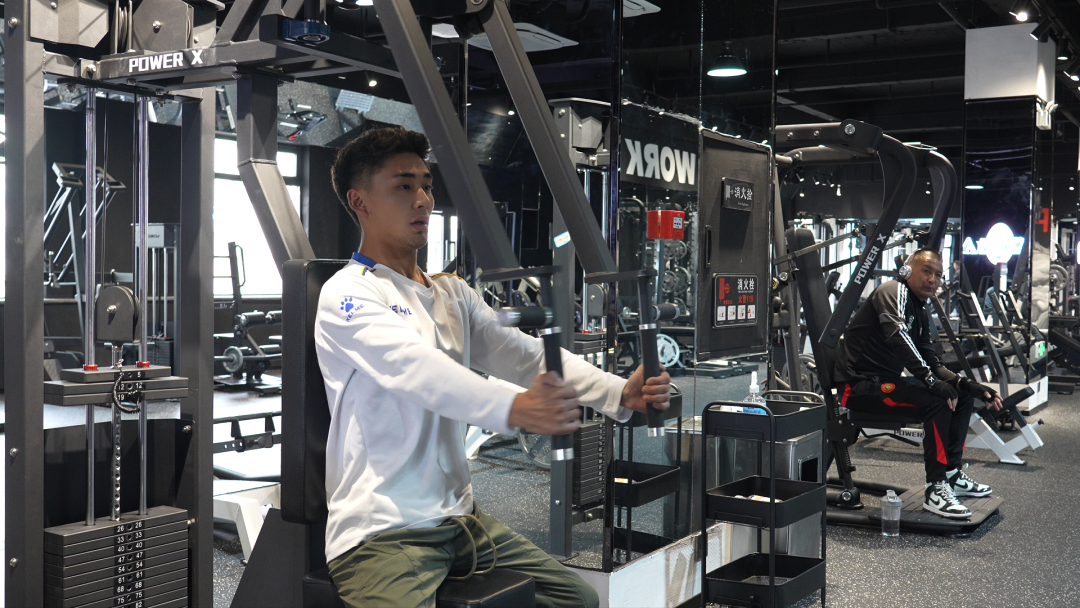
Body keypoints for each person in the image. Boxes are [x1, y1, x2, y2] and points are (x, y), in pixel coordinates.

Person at [314, 127, 672, 608]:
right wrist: (514, 408)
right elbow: (418, 371)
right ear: (359, 202)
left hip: (461, 521)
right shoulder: (348, 293)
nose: (423, 199)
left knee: (578, 601)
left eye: (426, 185)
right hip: (383, 533)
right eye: (403, 186)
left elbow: (522, 354)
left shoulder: (452, 292)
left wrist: (617, 392)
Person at [833, 248, 1003, 519]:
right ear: (907, 270)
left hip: (886, 383)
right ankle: (936, 487)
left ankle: (951, 474)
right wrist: (932, 383)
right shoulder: (893, 290)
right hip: (860, 387)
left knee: (960, 396)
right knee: (937, 402)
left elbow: (932, 361)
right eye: (926, 271)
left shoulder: (921, 313)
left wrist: (966, 384)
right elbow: (898, 336)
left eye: (938, 275)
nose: (932, 279)